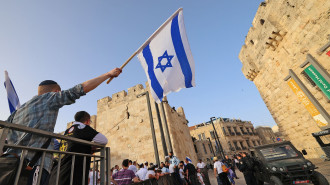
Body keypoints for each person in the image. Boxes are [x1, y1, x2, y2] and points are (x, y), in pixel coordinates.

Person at [5, 68, 122, 185]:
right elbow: (79, 89)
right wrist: (107, 74)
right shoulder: (49, 98)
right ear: (56, 92)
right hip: (34, 165)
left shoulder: (19, 111)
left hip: (11, 164)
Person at [49, 111, 108, 185]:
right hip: (73, 174)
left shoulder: (67, 131)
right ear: (88, 121)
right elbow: (104, 140)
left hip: (59, 173)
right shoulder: (82, 127)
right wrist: (92, 146)